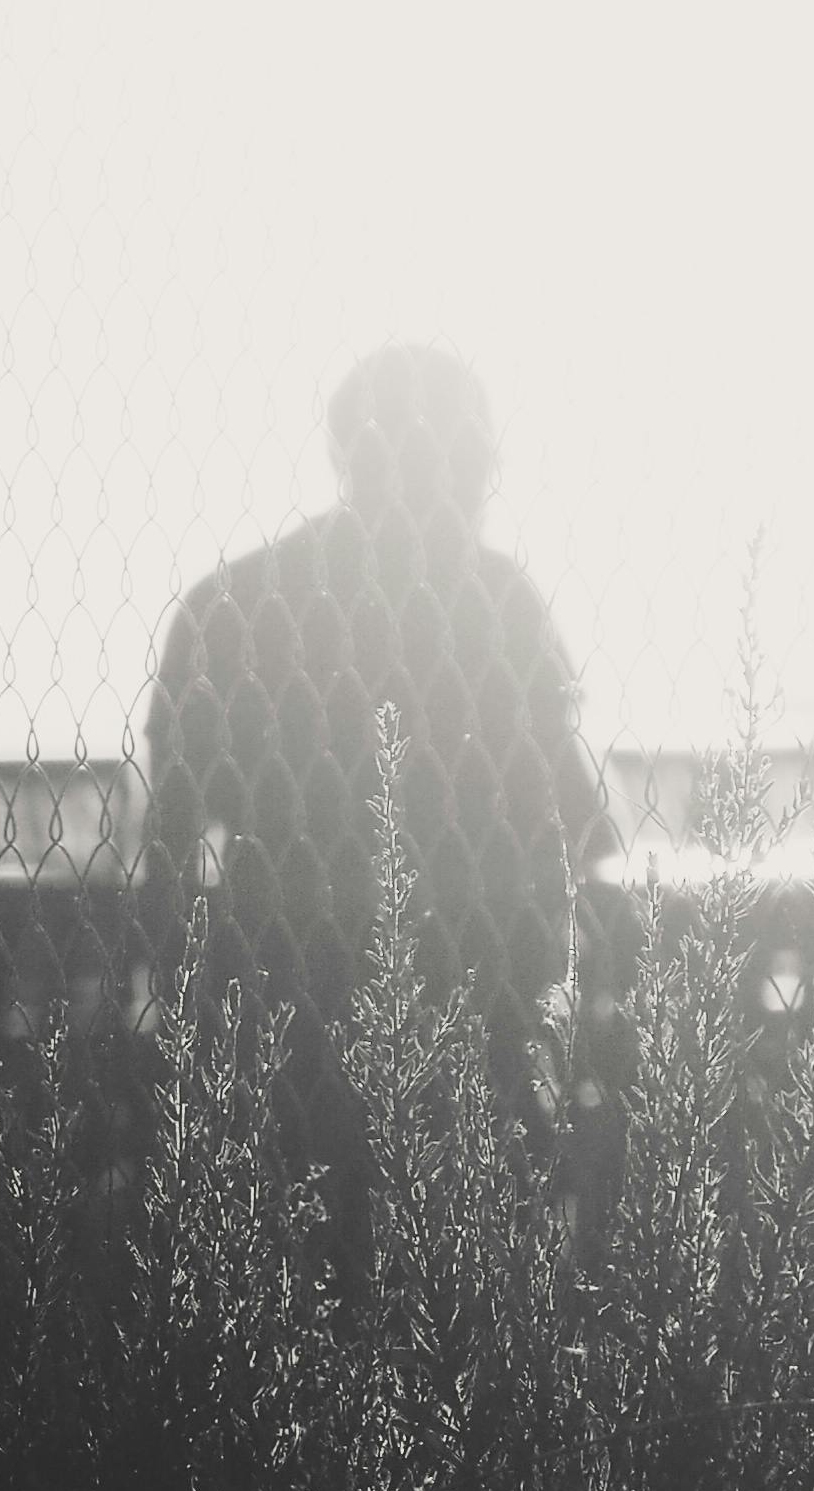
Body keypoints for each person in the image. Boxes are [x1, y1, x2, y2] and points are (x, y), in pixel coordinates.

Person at [145, 346, 606, 1239]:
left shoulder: (236, 606)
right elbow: (584, 826)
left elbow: (165, 845)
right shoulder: (497, 608)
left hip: (272, 1021)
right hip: (470, 1016)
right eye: (467, 462)